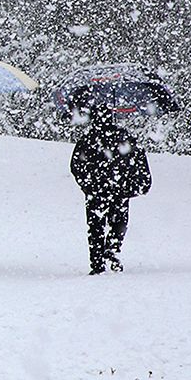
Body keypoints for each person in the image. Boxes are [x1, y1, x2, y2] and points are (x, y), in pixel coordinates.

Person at [71, 106, 152, 274]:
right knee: (119, 223)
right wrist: (137, 183)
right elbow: (139, 160)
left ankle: (97, 264)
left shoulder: (88, 139)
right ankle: (112, 250)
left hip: (96, 192)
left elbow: (76, 166)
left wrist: (86, 184)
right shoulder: (124, 137)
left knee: (95, 228)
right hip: (120, 190)